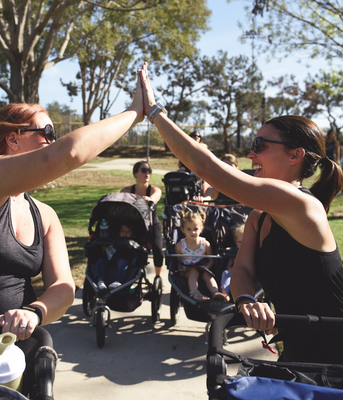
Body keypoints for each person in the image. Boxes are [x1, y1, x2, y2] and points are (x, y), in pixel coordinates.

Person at [139, 61, 343, 364]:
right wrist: (246, 298)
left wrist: (154, 111)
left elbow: (207, 167)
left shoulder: (303, 204)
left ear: (295, 155)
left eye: (260, 145)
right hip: (300, 350)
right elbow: (242, 272)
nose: (251, 153)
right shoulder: (259, 217)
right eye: (252, 144)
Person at [0, 71, 144, 340]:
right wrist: (134, 112)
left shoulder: (45, 215)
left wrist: (35, 311)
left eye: (55, 134)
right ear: (13, 139)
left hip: (14, 350)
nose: (52, 141)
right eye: (47, 133)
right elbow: (66, 154)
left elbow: (63, 286)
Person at [121, 161, 163, 276]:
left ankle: (158, 276)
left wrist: (149, 199)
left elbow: (155, 197)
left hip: (152, 222)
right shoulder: (127, 191)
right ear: (135, 173)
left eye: (149, 171)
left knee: (158, 249)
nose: (147, 173)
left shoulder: (155, 190)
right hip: (135, 224)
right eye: (144, 170)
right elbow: (121, 198)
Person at [175, 209, 227, 302]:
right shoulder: (180, 245)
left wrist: (207, 267)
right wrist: (180, 270)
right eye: (189, 229)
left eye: (195, 229)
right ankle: (195, 293)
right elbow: (179, 261)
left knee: (207, 275)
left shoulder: (205, 244)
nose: (193, 232)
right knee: (194, 272)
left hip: (203, 267)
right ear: (183, 229)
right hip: (187, 269)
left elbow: (211, 259)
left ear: (201, 229)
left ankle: (215, 292)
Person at [95, 223, 138, 290]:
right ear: (119, 232)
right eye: (123, 231)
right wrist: (105, 249)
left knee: (123, 262)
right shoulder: (115, 240)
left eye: (128, 231)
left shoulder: (133, 244)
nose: (125, 233)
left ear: (133, 234)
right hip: (111, 260)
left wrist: (130, 248)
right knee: (100, 261)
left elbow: (134, 255)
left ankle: (117, 281)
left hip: (123, 262)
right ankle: (100, 281)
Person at [220, 221, 245, 298]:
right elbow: (228, 267)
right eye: (239, 242)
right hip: (234, 273)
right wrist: (234, 269)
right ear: (235, 242)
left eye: (244, 241)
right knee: (226, 273)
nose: (242, 244)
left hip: (246, 274)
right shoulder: (233, 253)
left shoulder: (251, 253)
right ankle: (225, 293)